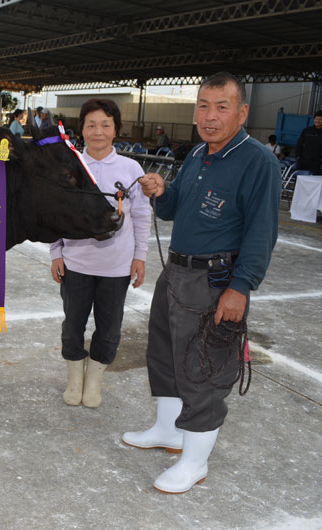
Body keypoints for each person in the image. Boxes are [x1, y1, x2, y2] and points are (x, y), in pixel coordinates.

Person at [124, 72, 281, 494]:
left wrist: (240, 287)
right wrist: (161, 190)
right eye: (203, 106)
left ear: (242, 112)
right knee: (164, 353)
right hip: (176, 271)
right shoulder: (198, 153)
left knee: (203, 367)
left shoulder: (258, 161)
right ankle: (167, 430)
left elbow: (262, 231)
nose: (210, 116)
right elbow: (175, 208)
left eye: (221, 107)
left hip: (215, 280)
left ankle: (194, 462)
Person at [50, 98, 151, 409]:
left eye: (105, 125)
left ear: (116, 130)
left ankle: (93, 381)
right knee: (72, 326)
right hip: (76, 263)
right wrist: (56, 253)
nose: (98, 131)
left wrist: (140, 256)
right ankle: (74, 380)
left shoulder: (130, 168)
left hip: (117, 267)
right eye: (91, 125)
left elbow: (143, 214)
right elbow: (54, 212)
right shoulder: (70, 167)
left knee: (109, 329)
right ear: (81, 129)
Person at [294, 110, 322, 174]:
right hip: (303, 160)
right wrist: (298, 156)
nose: (317, 121)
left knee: (314, 181)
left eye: (320, 119)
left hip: (317, 163)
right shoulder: (307, 130)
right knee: (300, 180)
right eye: (316, 119)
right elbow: (299, 144)